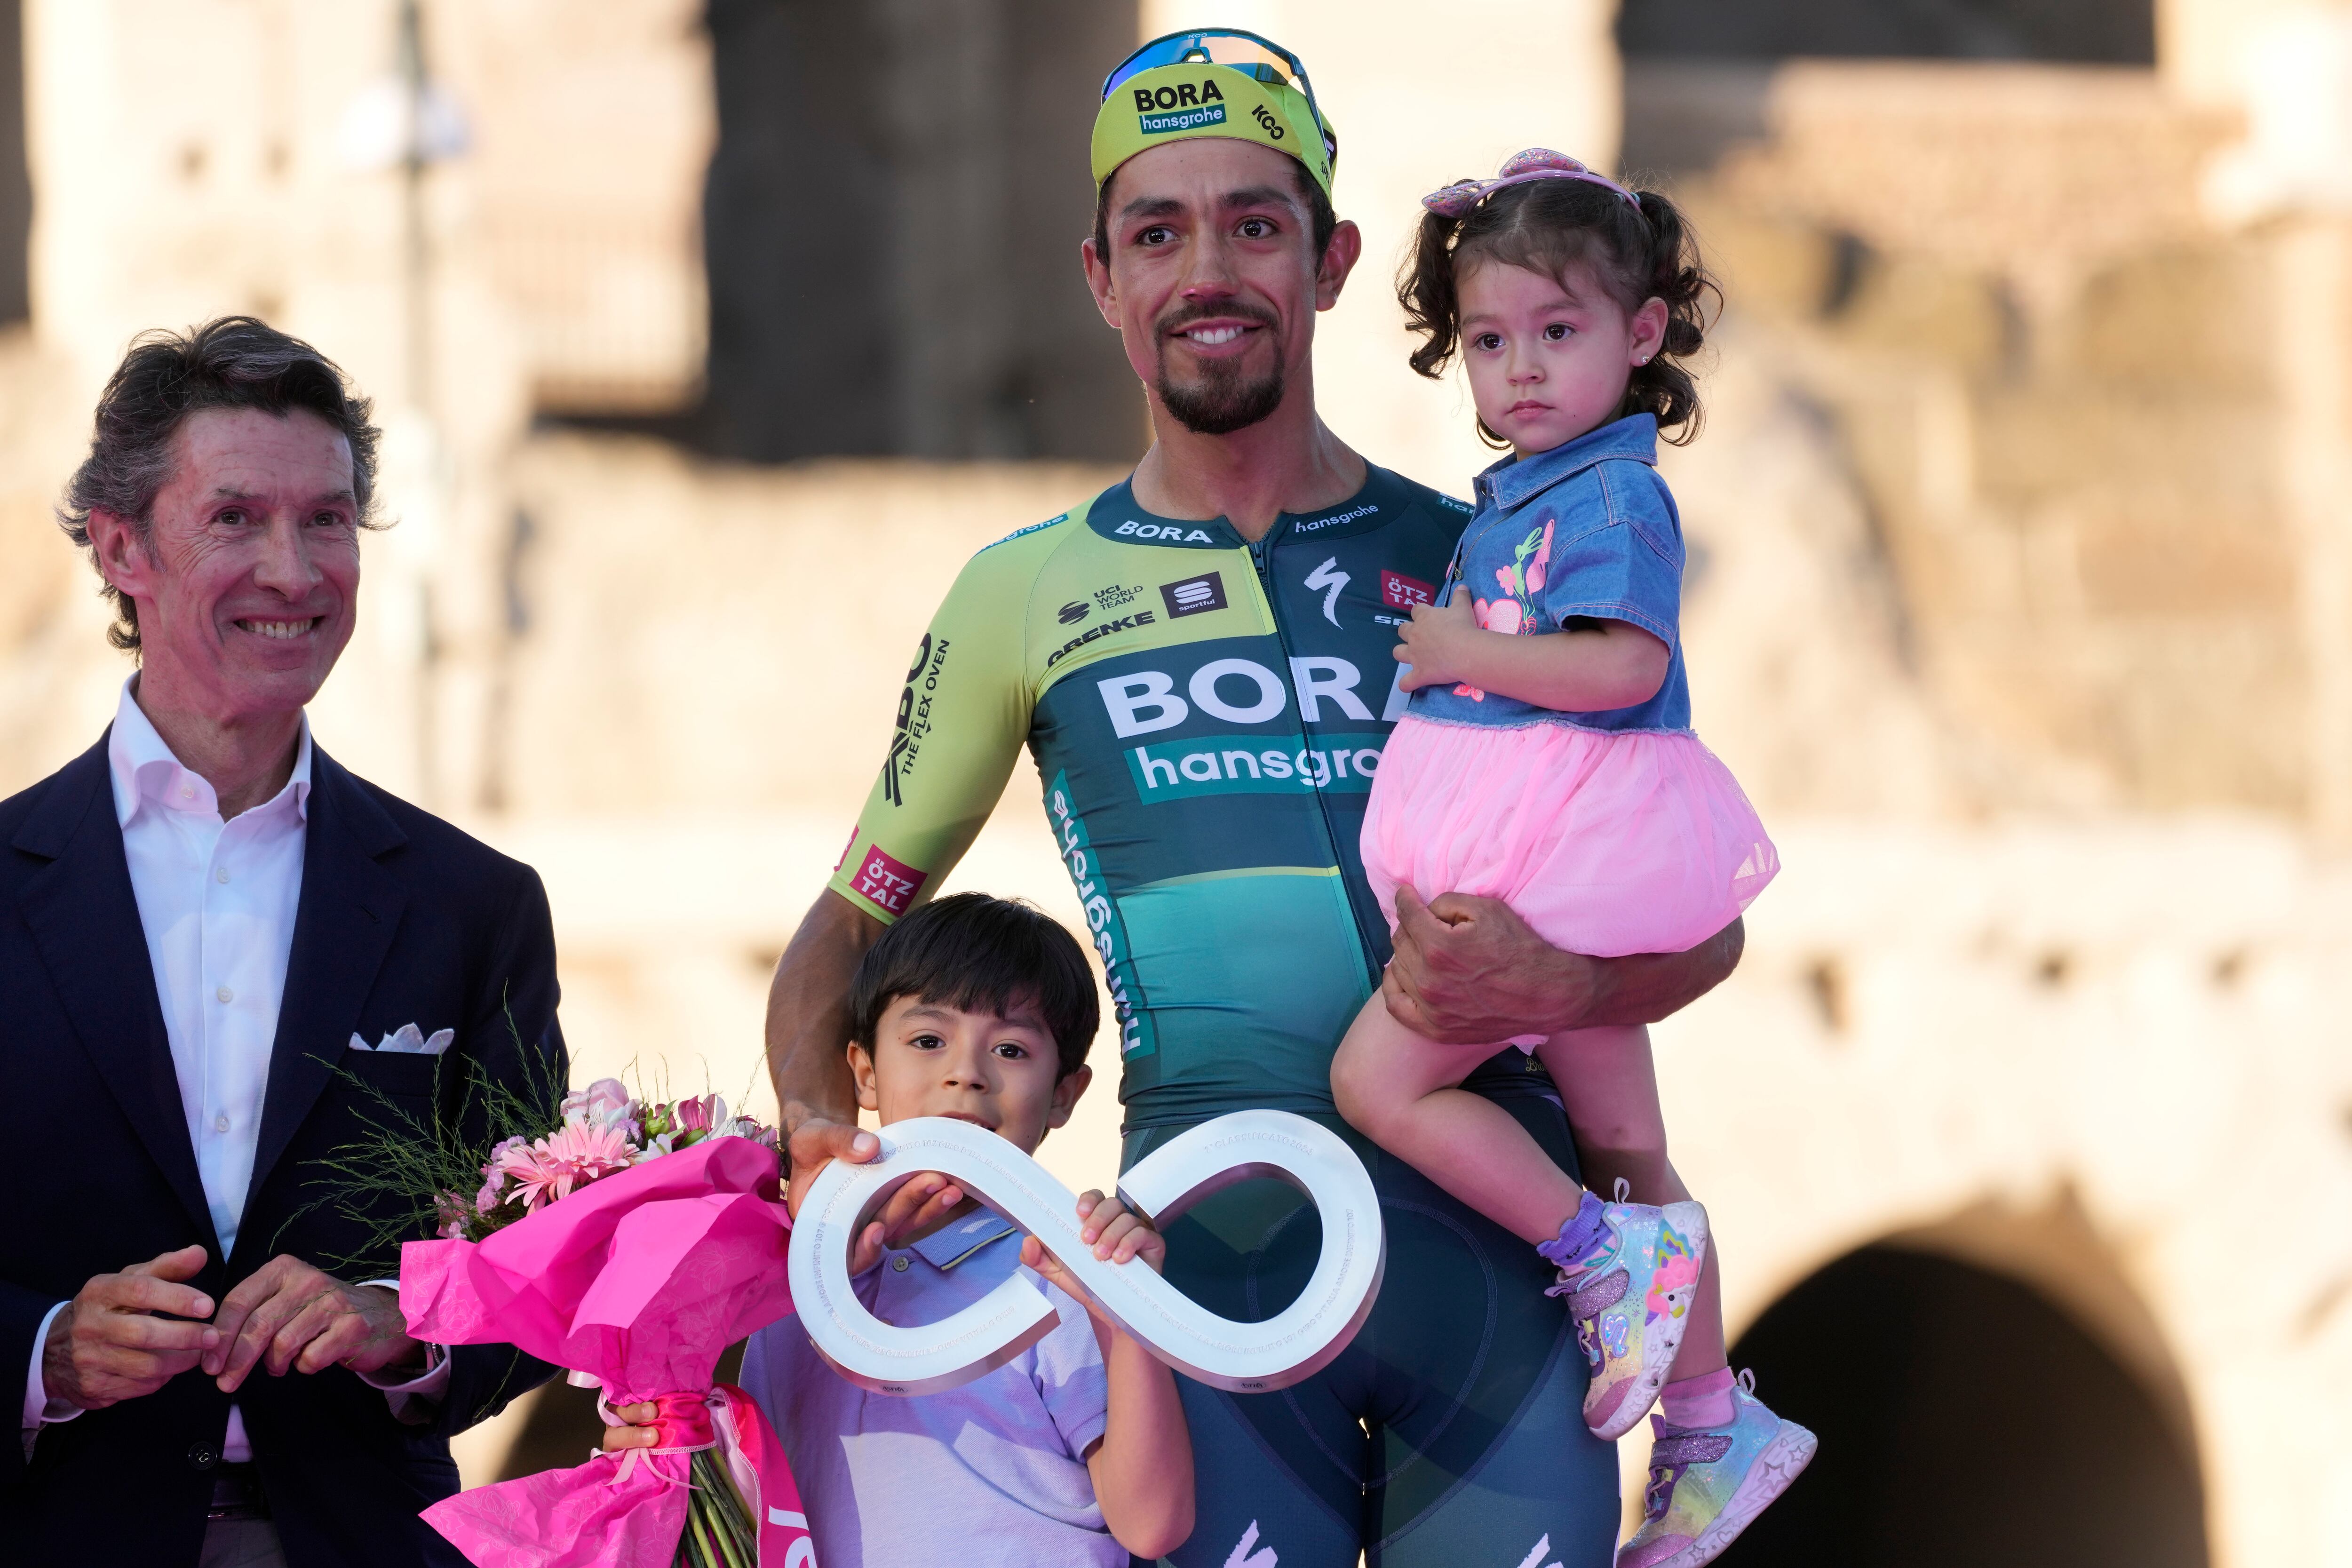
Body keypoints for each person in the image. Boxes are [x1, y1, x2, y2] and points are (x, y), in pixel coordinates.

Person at [764, 31, 1744, 1568]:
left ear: (1334, 259)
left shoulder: (1498, 566)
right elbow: (841, 936)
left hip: (1500, 1292)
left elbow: (1700, 922)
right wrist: (823, 1134)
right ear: (1101, 275)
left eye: (1254, 223)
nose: (1204, 267)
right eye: (1158, 231)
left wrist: (1562, 982)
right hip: (1201, 1279)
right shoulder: (1022, 594)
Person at [0, 318, 563, 1567]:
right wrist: (46, 1349)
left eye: (327, 521)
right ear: (120, 546)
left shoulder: (475, 905)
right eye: (237, 517)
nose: (295, 569)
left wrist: (401, 1320)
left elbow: (541, 1275)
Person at [1329, 149, 1815, 1568]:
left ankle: (1603, 1255)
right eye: (1490, 341)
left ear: (1643, 335)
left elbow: (1624, 666)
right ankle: (1717, 1420)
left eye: (1558, 332)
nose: (1521, 368)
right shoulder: (1539, 490)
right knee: (1627, 1140)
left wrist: (1463, 647)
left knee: (1379, 1078)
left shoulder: (1610, 499)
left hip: (1563, 848)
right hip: (1564, 843)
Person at [608, 893, 1194, 1566]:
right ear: (863, 1069)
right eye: (927, 1040)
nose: (965, 1073)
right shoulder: (789, 1276)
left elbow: (1153, 1524)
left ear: (1064, 1093)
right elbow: (744, 1481)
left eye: (1009, 1047)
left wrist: (1127, 1316)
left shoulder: (1065, 1270)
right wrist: (663, 1433)